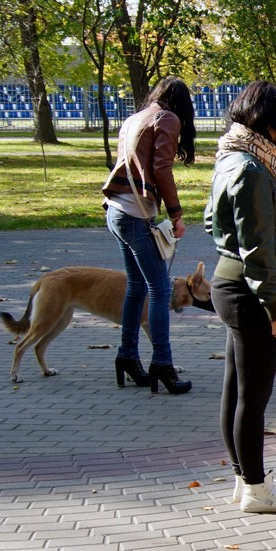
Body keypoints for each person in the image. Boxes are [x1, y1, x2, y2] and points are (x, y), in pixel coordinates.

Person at [204, 81, 276, 514]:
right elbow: (257, 248)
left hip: (232, 286)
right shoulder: (249, 168)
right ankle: (255, 489)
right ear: (262, 122)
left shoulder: (232, 157)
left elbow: (213, 222)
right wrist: (275, 308)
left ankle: (245, 474)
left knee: (237, 389)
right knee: (254, 396)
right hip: (250, 292)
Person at [101, 76, 194, 395]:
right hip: (135, 214)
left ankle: (126, 356)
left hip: (115, 210)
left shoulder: (133, 118)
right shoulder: (167, 118)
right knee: (159, 289)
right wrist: (176, 213)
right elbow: (161, 168)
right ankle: (163, 365)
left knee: (137, 286)